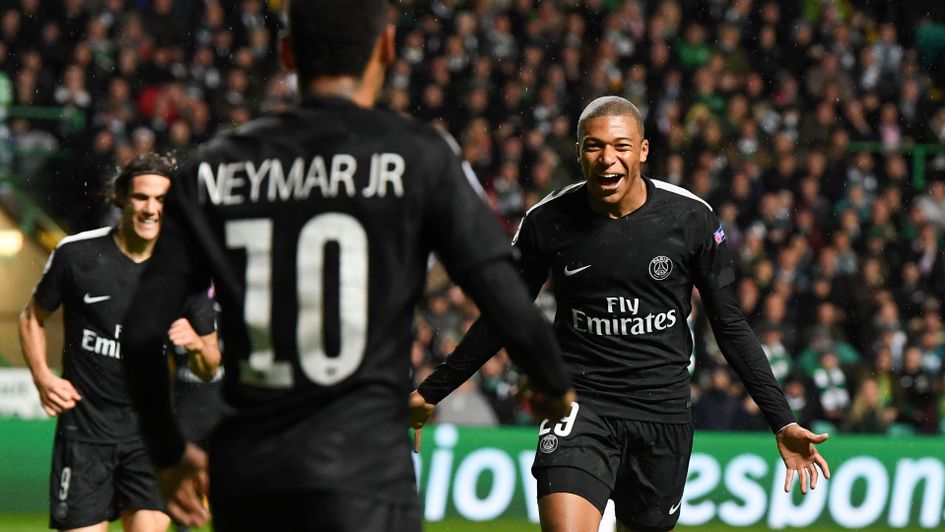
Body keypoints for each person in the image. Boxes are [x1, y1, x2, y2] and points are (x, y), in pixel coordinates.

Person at [119, 1, 575, 530]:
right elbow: (505, 296)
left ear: (287, 53)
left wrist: (167, 451)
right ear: (386, 48)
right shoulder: (418, 156)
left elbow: (141, 332)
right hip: (366, 470)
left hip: (251, 472)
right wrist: (552, 383)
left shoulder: (214, 169)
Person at [411, 96, 831, 532]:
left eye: (621, 146)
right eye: (594, 146)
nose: (607, 158)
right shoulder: (547, 221)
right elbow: (505, 314)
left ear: (643, 151)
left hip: (662, 413)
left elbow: (730, 326)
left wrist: (781, 419)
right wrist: (431, 391)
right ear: (579, 152)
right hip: (580, 404)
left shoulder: (691, 218)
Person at [17, 153, 184, 531]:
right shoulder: (76, 254)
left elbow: (208, 364)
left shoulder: (183, 267)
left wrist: (200, 346)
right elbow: (31, 317)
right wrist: (43, 377)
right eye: (141, 197)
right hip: (84, 437)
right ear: (122, 197)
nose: (151, 209)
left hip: (149, 439)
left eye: (161, 200)